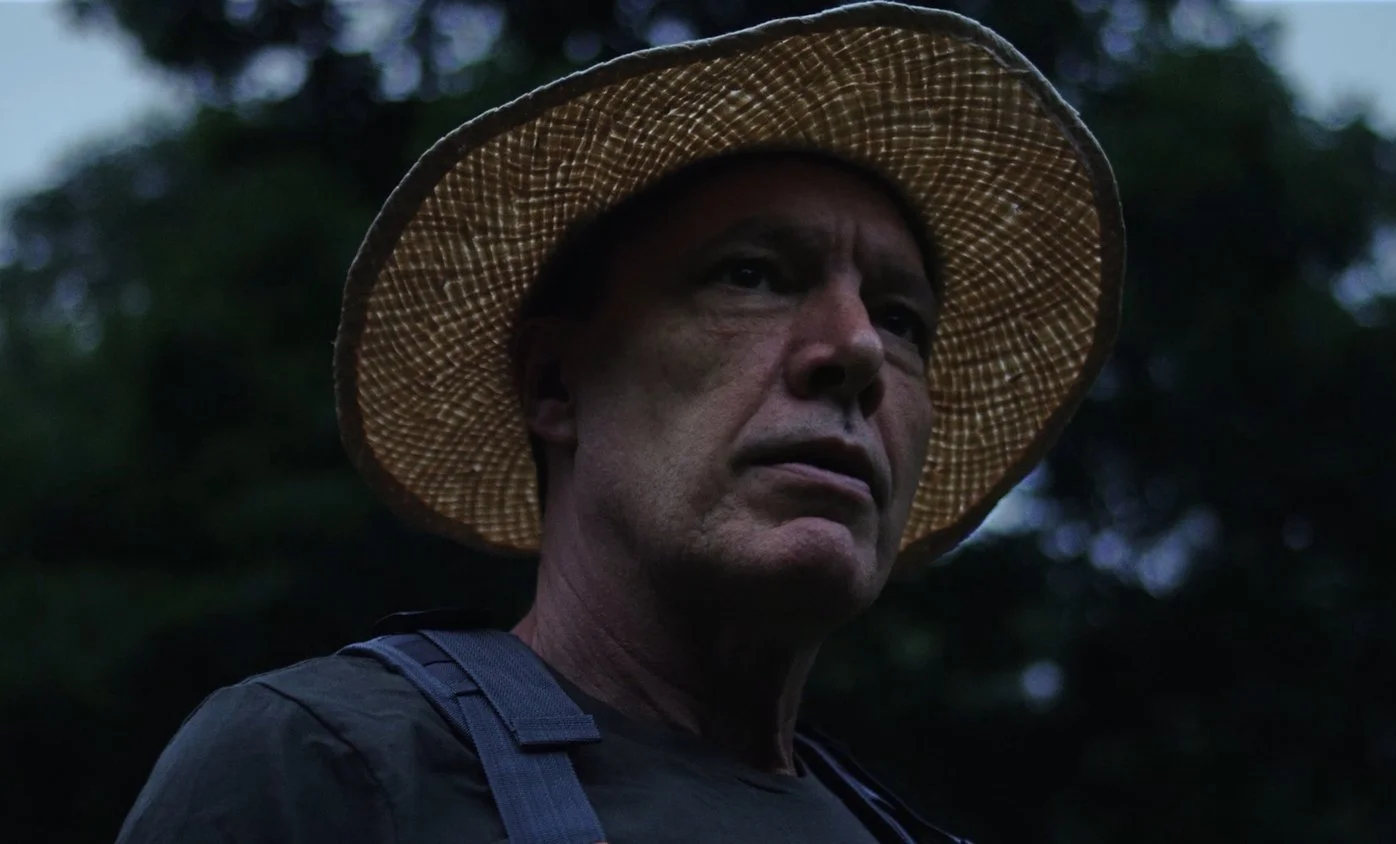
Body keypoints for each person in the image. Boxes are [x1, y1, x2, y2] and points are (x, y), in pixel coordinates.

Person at [115, 3, 1123, 843]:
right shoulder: (332, 767)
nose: (856, 349)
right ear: (554, 383)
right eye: (752, 275)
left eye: (903, 321)